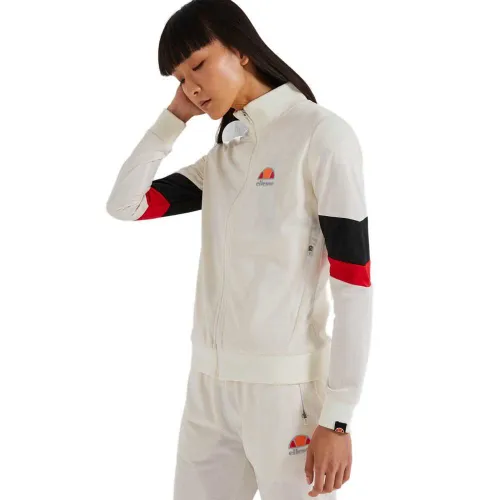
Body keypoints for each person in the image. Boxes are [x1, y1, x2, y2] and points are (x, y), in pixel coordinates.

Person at [106, 0, 373, 498]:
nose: (192, 87)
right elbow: (125, 205)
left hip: (285, 395)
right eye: (181, 79)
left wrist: (338, 419)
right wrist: (174, 118)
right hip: (208, 392)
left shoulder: (322, 136)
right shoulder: (223, 159)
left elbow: (353, 284)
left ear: (241, 49)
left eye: (199, 64)